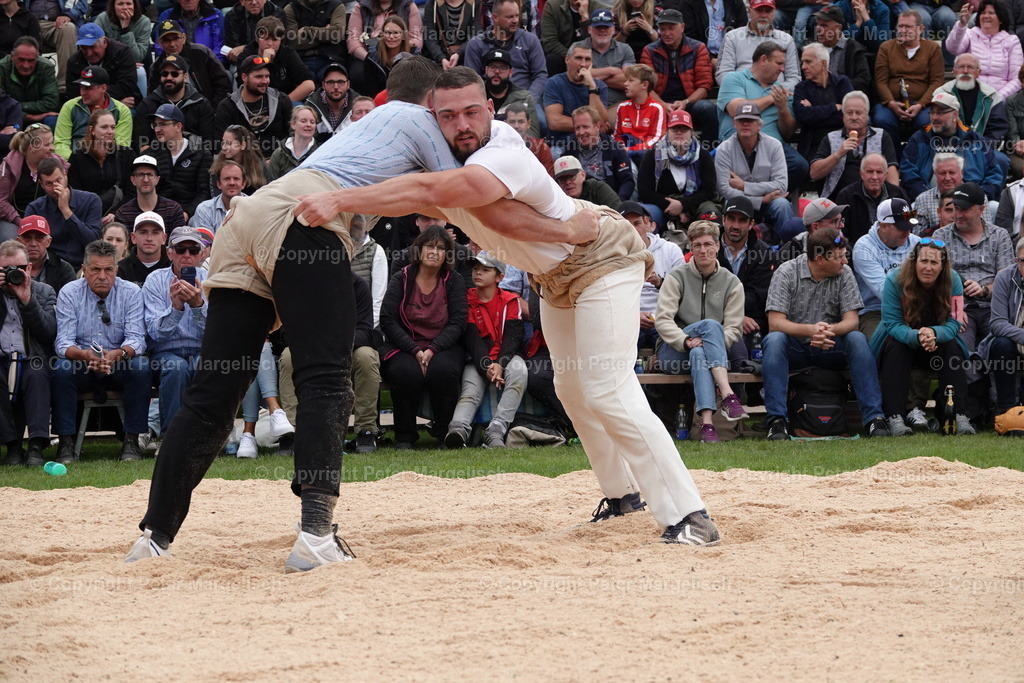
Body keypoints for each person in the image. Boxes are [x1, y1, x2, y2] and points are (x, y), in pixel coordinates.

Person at [125, 58, 600, 568]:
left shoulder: (365, 124)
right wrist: (568, 229)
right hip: (306, 218)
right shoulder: (421, 123)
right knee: (327, 377)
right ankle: (315, 537)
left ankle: (153, 538)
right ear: (428, 105)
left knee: (212, 395)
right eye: (446, 114)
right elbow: (472, 202)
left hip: (250, 218)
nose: (454, 125)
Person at [296, 65, 722, 545]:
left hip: (600, 253)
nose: (462, 124)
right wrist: (358, 210)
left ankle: (689, 515)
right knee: (573, 388)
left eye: (472, 112)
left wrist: (339, 200)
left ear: (491, 110)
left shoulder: (500, 153)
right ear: (432, 117)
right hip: (554, 273)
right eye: (448, 115)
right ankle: (623, 495)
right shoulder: (442, 157)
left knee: (606, 384)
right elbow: (429, 200)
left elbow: (432, 195)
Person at [761, 227, 891, 440]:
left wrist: (829, 330)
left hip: (831, 345)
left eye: (844, 255)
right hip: (797, 348)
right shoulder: (786, 272)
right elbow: (775, 323)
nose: (845, 262)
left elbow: (852, 321)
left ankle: (875, 419)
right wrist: (810, 331)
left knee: (857, 338)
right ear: (820, 259)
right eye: (839, 257)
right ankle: (777, 422)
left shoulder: (844, 274)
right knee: (774, 340)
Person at [52, 239, 150, 463]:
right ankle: (66, 444)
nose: (102, 276)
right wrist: (85, 356)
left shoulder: (132, 292)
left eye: (108, 269)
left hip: (118, 363)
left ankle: (132, 441)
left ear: (116, 270)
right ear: (84, 270)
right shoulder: (69, 292)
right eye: (95, 269)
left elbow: (137, 339)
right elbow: (63, 343)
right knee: (61, 368)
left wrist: (119, 354)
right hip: (82, 364)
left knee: (141, 366)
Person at [654, 221, 748, 442]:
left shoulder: (732, 283)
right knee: (711, 325)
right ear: (690, 248)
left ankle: (707, 426)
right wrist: (686, 340)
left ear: (717, 246)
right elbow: (663, 320)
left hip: (706, 355)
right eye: (697, 245)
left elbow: (734, 329)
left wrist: (707, 343)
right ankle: (727, 395)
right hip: (673, 352)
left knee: (701, 351)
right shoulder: (676, 277)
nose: (703, 250)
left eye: (708, 244)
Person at [872, 239, 974, 435]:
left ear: (943, 266)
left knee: (952, 348)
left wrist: (935, 333)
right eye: (924, 261)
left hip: (936, 342)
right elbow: (891, 323)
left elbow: (955, 323)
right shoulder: (894, 281)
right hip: (902, 338)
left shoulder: (954, 281)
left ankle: (959, 415)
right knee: (897, 347)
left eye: (934, 263)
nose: (928, 267)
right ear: (914, 262)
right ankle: (895, 416)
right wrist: (918, 335)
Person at [445, 252, 526, 449]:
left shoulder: (511, 300)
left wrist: (500, 363)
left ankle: (496, 429)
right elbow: (472, 338)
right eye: (475, 269)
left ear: (499, 277)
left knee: (519, 372)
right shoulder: (466, 299)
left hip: (505, 356)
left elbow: (513, 338)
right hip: (477, 357)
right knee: (470, 390)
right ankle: (457, 430)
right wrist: (487, 366)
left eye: (485, 270)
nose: (478, 273)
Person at [934, 182, 1014, 354]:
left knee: (1003, 345)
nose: (958, 214)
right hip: (958, 307)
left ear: (981, 209)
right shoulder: (941, 236)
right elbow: (935, 279)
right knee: (960, 348)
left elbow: (1005, 281)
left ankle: (991, 379)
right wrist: (954, 309)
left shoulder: (999, 235)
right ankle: (974, 379)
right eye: (955, 208)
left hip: (993, 308)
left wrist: (984, 289)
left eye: (964, 209)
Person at [143, 226, 208, 435]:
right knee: (176, 367)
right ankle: (173, 437)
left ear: (201, 254)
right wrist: (176, 308)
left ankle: (206, 435)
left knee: (209, 365)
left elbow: (217, 332)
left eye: (193, 250)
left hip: (201, 349)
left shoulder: (211, 279)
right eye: (181, 249)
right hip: (165, 352)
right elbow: (154, 333)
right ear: (169, 252)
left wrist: (198, 306)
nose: (187, 255)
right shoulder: (154, 280)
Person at [0, 234, 55, 468]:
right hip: (1, 358)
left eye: (20, 268)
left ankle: (35, 446)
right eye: (6, 269)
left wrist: (27, 299)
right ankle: (12, 446)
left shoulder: (44, 291)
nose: (14, 273)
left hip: (33, 357)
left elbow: (49, 333)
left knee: (37, 372)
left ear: (29, 267)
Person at [901, 91, 1008, 203]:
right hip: (930, 199)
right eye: (932, 112)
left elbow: (994, 174)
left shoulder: (974, 139)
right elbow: (908, 172)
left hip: (971, 200)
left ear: (955, 115)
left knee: (994, 206)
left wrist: (978, 196)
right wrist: (925, 197)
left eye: (941, 113)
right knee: (913, 207)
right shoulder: (919, 138)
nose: (934, 117)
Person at [714, 101, 793, 239]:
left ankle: (784, 249)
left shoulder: (774, 145)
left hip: (769, 203)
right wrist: (761, 200)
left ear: (760, 125)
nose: (746, 124)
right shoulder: (724, 149)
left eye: (750, 121)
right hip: (738, 202)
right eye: (741, 120)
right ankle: (731, 247)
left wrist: (745, 186)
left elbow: (781, 185)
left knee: (782, 204)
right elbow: (724, 189)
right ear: (735, 124)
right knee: (729, 204)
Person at [638, 9, 716, 144]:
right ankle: (646, 154)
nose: (667, 33)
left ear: (682, 27)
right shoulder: (649, 50)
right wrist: (662, 104)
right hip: (659, 101)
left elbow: (704, 85)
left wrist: (686, 102)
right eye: (662, 29)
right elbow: (646, 86)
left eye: (671, 28)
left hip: (689, 101)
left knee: (707, 108)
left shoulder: (698, 48)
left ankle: (708, 152)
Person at [637, 108, 717, 232]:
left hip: (695, 205)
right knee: (648, 214)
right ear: (667, 131)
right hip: (662, 207)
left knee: (711, 212)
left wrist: (683, 205)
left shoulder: (702, 154)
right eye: (674, 129)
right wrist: (672, 206)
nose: (679, 132)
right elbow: (644, 191)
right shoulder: (653, 154)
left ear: (691, 132)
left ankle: (709, 248)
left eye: (684, 129)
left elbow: (709, 190)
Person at [852, 198, 922, 338]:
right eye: (901, 228)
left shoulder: (917, 242)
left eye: (909, 226)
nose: (907, 232)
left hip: (917, 308)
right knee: (889, 343)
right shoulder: (864, 248)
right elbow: (885, 293)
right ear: (883, 225)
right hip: (876, 311)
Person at [716, 195, 778, 355]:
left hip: (751, 320)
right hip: (713, 316)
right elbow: (702, 291)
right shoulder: (708, 248)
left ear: (751, 224)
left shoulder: (765, 254)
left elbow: (758, 295)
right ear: (723, 220)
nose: (735, 225)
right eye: (731, 218)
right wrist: (734, 318)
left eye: (742, 220)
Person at [810, 90, 899, 201]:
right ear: (843, 115)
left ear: (867, 115)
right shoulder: (831, 138)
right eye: (849, 112)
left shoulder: (881, 136)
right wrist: (838, 154)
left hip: (874, 199)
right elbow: (814, 173)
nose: (854, 117)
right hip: (837, 201)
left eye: (858, 113)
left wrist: (895, 198)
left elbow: (890, 169)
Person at [872, 10, 944, 140]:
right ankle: (893, 158)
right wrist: (891, 103)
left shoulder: (932, 48)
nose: (903, 30)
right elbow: (880, 81)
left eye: (908, 26)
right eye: (900, 26)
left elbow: (937, 82)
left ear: (920, 29)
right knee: (881, 120)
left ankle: (919, 158)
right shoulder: (886, 47)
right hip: (892, 102)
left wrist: (921, 104)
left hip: (923, 104)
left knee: (926, 121)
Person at [621, 201, 682, 349]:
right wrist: (634, 317)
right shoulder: (614, 256)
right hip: (628, 321)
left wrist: (661, 282)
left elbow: (684, 290)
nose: (633, 230)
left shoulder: (670, 249)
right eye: (627, 226)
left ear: (647, 223)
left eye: (637, 223)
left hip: (664, 319)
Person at [462, 0, 547, 102]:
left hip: (524, 99)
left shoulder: (530, 40)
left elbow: (540, 75)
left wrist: (529, 99)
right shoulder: (476, 44)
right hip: (489, 100)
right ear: (495, 17)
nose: (515, 20)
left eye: (517, 15)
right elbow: (471, 80)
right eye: (510, 17)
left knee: (540, 118)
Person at [25, 158, 101, 270]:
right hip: (50, 266)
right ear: (41, 184)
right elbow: (30, 246)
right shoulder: (35, 208)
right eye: (49, 183)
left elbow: (93, 242)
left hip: (85, 265)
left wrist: (66, 210)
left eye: (58, 180)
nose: (55, 187)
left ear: (65, 175)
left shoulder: (91, 200)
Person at [214, 55, 293, 158]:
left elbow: (293, 135)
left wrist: (276, 161)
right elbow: (221, 147)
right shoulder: (227, 106)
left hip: (279, 161)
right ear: (244, 77)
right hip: (243, 165)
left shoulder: (281, 100)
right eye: (259, 77)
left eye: (267, 76)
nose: (265, 81)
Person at [145, 103, 213, 217]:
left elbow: (204, 193)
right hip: (156, 214)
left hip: (190, 215)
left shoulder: (201, 154)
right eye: (155, 125)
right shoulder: (150, 155)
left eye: (162, 124)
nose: (157, 129)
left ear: (178, 126)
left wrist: (187, 213)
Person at [946, 0, 1023, 100]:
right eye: (983, 13)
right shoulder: (969, 34)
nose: (986, 16)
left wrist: (997, 98)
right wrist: (961, 24)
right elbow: (952, 48)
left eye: (991, 13)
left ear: (1000, 18)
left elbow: (1017, 78)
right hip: (970, 96)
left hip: (1000, 99)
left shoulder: (1011, 41)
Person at [981, 236, 1024, 414]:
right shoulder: (1005, 277)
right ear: (1016, 261)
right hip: (1011, 340)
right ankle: (1006, 409)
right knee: (1001, 344)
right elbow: (997, 324)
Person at [0, 124, 65, 241]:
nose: (52, 148)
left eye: (52, 143)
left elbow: (67, 194)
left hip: (48, 217)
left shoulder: (58, 164)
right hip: (14, 219)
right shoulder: (10, 165)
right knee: (11, 240)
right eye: (47, 144)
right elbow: (1, 201)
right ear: (33, 147)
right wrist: (21, 222)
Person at [716, 0, 799, 91]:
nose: (763, 15)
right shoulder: (732, 37)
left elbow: (794, 78)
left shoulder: (786, 39)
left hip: (776, 97)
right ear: (749, 11)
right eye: (759, 11)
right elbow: (723, 74)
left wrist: (773, 93)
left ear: (774, 14)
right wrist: (744, 91)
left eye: (768, 11)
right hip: (741, 96)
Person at [53, 66, 132, 160]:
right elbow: (60, 143)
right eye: (81, 88)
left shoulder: (122, 110)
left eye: (87, 88)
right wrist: (76, 162)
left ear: (103, 88)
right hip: (74, 162)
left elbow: (121, 146)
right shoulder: (69, 107)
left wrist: (101, 163)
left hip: (109, 163)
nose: (82, 92)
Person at [135, 53, 217, 143]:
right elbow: (141, 144)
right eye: (164, 73)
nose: (169, 78)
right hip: (157, 154)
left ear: (185, 77)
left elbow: (208, 143)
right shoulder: (147, 105)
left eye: (175, 74)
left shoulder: (201, 104)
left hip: (193, 154)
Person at [67, 109, 134, 218]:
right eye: (104, 127)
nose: (110, 131)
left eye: (113, 127)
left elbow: (131, 192)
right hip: (87, 215)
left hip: (119, 214)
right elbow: (74, 193)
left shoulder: (126, 154)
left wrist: (115, 213)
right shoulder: (77, 156)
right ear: (92, 130)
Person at [793, 42, 853, 162]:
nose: (803, 66)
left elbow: (849, 115)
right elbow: (802, 115)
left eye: (808, 61)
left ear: (823, 63)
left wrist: (814, 110)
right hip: (813, 146)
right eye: (802, 62)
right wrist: (834, 107)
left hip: (843, 142)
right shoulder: (801, 87)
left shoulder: (842, 82)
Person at [150, 19, 231, 107]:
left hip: (208, 108)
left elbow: (223, 82)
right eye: (166, 40)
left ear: (183, 38)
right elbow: (155, 97)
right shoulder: (156, 66)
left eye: (176, 38)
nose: (172, 44)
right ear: (160, 43)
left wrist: (213, 110)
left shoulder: (201, 52)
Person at [347, 0, 423, 93]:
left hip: (401, 52)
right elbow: (353, 39)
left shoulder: (408, 5)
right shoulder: (361, 7)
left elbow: (416, 38)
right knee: (358, 73)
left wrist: (399, 54)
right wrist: (369, 59)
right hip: (369, 53)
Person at [543, 44, 608, 150]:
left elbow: (600, 121)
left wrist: (592, 88)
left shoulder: (599, 86)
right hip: (562, 145)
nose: (583, 64)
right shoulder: (554, 83)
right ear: (567, 60)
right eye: (578, 58)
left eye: (587, 60)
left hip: (593, 145)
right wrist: (590, 126)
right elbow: (555, 122)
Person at [932, 53, 1010, 142]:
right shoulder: (941, 93)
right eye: (961, 67)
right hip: (948, 147)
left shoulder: (992, 96)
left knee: (1000, 157)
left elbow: (997, 129)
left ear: (978, 73)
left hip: (983, 147)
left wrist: (982, 149)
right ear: (954, 72)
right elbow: (935, 126)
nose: (965, 71)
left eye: (970, 67)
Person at [914, 152, 996, 235]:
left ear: (961, 173)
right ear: (935, 174)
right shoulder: (923, 200)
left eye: (952, 172)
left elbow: (987, 231)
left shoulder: (977, 196)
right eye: (942, 173)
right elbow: (918, 236)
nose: (947, 178)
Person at [236, 17, 315, 103]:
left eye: (274, 40)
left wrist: (283, 103)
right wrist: (265, 62)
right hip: (256, 102)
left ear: (280, 40)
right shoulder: (245, 56)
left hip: (284, 100)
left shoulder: (287, 53)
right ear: (257, 39)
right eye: (266, 39)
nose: (270, 44)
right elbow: (244, 86)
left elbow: (309, 84)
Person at [835, 153, 908, 244]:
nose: (874, 177)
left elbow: (908, 226)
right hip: (857, 251)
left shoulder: (899, 194)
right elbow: (842, 233)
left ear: (886, 174)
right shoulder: (846, 196)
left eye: (879, 172)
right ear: (861, 173)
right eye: (870, 171)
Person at [563, 105, 632, 202]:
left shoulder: (614, 148)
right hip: (579, 203)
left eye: (585, 127)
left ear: (597, 126)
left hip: (609, 201)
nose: (581, 132)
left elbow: (627, 181)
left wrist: (618, 205)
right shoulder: (569, 151)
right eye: (577, 128)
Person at [66, 23, 140, 106]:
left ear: (104, 42)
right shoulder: (74, 61)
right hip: (89, 107)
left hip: (120, 104)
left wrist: (110, 104)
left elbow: (126, 87)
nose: (89, 53)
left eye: (93, 47)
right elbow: (72, 93)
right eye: (84, 48)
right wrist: (106, 103)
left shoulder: (122, 52)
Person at [572, 8, 635, 107]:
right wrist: (611, 71)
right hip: (584, 105)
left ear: (613, 29)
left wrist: (589, 77)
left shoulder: (625, 49)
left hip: (617, 106)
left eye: (606, 27)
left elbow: (629, 81)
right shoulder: (577, 47)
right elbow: (576, 76)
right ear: (589, 29)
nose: (602, 30)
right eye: (598, 27)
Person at [113, 155, 188, 233]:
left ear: (157, 179)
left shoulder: (173, 210)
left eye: (150, 175)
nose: (145, 180)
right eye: (140, 175)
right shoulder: (123, 213)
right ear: (133, 180)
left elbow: (178, 242)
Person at [810, 5, 871, 95]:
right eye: (817, 24)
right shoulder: (811, 49)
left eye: (824, 25)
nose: (818, 29)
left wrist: (836, 86)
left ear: (838, 27)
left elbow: (863, 80)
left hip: (846, 100)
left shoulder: (853, 48)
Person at [0, 37, 59, 128]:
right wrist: (30, 117)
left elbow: (51, 103)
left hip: (40, 116)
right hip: (11, 117)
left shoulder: (46, 67)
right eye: (21, 60)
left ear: (38, 57)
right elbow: (2, 105)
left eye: (31, 60)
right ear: (12, 56)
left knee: (53, 119)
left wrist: (16, 105)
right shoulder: (2, 68)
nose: (26, 65)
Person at [614, 63, 666, 164]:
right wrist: (621, 146)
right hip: (626, 151)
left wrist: (632, 150)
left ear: (644, 85)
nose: (625, 84)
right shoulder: (622, 107)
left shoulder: (657, 108)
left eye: (630, 80)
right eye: (626, 80)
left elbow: (656, 139)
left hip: (646, 153)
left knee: (646, 154)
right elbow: (617, 135)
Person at [481, 48, 538, 138]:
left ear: (510, 72)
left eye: (503, 68)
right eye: (492, 67)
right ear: (486, 70)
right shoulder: (476, 96)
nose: (497, 71)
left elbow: (533, 133)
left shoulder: (524, 97)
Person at [282, 0, 347, 78]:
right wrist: (325, 37)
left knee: (335, 83)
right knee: (303, 85)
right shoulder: (290, 8)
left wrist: (306, 31)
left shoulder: (336, 6)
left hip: (330, 58)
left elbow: (337, 34)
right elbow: (292, 42)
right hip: (301, 59)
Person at [679, 0, 746, 70]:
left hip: (731, 59)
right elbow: (688, 38)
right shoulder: (688, 3)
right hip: (698, 59)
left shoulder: (736, 2)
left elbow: (742, 34)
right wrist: (709, 59)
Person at [18, 214, 76, 293]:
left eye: (39, 238)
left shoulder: (63, 268)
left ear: (48, 242)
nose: (33, 243)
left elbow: (72, 300)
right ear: (18, 241)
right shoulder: (8, 266)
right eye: (27, 238)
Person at [304, 63, 359, 142]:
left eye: (340, 82)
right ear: (323, 85)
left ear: (348, 84)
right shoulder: (310, 106)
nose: (336, 87)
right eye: (330, 82)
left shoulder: (359, 106)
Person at [156, 0, 225, 62]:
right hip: (175, 65)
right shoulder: (167, 16)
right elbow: (160, 46)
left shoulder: (215, 15)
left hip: (208, 64)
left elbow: (219, 46)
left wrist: (212, 66)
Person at [421, 0, 484, 66]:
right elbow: (430, 37)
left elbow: (475, 35)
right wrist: (441, 58)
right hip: (439, 58)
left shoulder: (474, 3)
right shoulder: (432, 3)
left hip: (466, 56)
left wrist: (459, 53)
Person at [116, 211, 170, 287]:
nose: (149, 238)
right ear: (133, 238)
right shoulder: (120, 269)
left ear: (164, 238)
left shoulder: (173, 268)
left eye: (155, 233)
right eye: (143, 232)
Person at [266, 105, 319, 181]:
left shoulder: (319, 154)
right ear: (293, 124)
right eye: (303, 121)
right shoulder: (279, 154)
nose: (308, 125)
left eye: (312, 122)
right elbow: (270, 184)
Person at [540, 0, 591, 75]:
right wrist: (574, 57)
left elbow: (596, 42)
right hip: (563, 55)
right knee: (552, 59)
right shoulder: (552, 6)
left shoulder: (598, 8)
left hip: (589, 56)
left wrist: (585, 18)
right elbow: (549, 42)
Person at [552, 155, 621, 211]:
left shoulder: (598, 188)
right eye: (562, 179)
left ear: (583, 175)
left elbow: (618, 212)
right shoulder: (555, 199)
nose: (567, 182)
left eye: (571, 177)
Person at [191, 158, 245, 230]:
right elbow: (206, 241)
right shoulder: (204, 210)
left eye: (236, 178)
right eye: (227, 179)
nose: (232, 183)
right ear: (219, 184)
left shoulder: (254, 208)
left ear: (243, 184)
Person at [224, 0, 284, 64]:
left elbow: (280, 42)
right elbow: (234, 50)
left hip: (274, 58)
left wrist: (245, 48)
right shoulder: (232, 16)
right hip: (242, 60)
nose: (254, 2)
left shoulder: (277, 13)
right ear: (242, 2)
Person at [500, 102, 552, 175]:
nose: (516, 126)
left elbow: (549, 179)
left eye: (521, 122)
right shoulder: (497, 148)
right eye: (512, 122)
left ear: (528, 124)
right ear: (505, 124)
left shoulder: (541, 148)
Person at [215, 125, 267, 194]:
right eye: (223, 142)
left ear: (243, 145)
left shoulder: (259, 164)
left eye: (229, 143)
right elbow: (215, 194)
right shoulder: (218, 164)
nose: (224, 147)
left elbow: (267, 190)